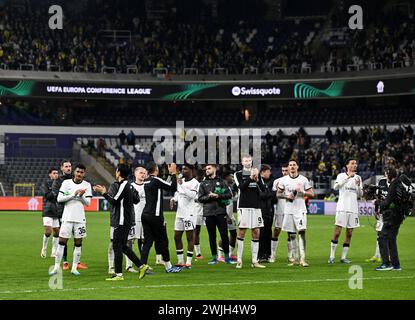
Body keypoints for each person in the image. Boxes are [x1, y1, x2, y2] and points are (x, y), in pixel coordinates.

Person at [94, 164, 149, 281]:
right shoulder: (128, 185)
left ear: (118, 172)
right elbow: (136, 200)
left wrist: (103, 192)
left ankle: (119, 274)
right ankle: (141, 266)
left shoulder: (123, 185)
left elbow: (114, 201)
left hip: (121, 220)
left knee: (116, 246)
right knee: (123, 246)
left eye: (117, 170)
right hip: (127, 220)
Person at [49, 164, 92, 276]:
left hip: (80, 219)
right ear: (74, 172)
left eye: (81, 172)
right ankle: (56, 267)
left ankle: (74, 268)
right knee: (62, 242)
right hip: (67, 218)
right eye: (78, 171)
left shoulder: (87, 185)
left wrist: (81, 196)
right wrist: (74, 194)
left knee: (78, 243)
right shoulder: (66, 183)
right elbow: (59, 199)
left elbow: (88, 203)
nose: (79, 174)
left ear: (84, 174)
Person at [141, 162, 181, 273]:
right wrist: (173, 173)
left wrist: (169, 175)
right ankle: (168, 267)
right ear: (155, 170)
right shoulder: (156, 180)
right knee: (163, 241)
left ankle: (142, 266)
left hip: (145, 214)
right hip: (156, 216)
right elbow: (172, 187)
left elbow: (165, 184)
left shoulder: (147, 181)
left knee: (148, 242)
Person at [277, 159, 314, 267]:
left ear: (297, 167)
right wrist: (286, 196)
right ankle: (296, 259)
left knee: (302, 232)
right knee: (291, 234)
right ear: (288, 168)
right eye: (290, 165)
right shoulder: (283, 180)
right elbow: (278, 194)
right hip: (288, 211)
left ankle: (303, 259)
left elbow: (312, 194)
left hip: (300, 210)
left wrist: (302, 191)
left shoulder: (303, 179)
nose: (292, 167)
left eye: (294, 165)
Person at [234, 155, 266, 269]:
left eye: (249, 160)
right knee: (242, 232)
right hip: (243, 206)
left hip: (256, 207)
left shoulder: (257, 173)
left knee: (256, 232)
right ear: (242, 162)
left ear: (252, 161)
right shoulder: (238, 174)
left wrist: (257, 179)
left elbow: (263, 189)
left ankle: (254, 261)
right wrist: (250, 178)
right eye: (245, 160)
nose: (248, 162)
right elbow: (241, 187)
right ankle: (239, 259)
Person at [328, 158, 363, 264]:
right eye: (352, 163)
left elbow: (360, 195)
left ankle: (343, 257)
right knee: (337, 232)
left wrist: (357, 185)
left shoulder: (358, 178)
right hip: (342, 208)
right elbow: (336, 186)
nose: (355, 165)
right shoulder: (341, 176)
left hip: (353, 209)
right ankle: (332, 256)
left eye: (355, 163)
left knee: (349, 233)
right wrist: (348, 177)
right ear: (347, 166)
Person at [198, 164, 234, 265]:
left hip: (220, 212)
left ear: (215, 169)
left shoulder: (222, 182)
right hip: (208, 213)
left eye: (209, 168)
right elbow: (200, 198)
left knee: (224, 235)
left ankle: (227, 258)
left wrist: (218, 195)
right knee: (212, 236)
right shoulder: (203, 183)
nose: (207, 170)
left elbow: (229, 195)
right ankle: (214, 258)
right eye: (206, 169)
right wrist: (210, 197)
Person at [376, 172, 412, 271]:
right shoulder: (401, 184)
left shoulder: (394, 185)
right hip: (399, 215)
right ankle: (396, 265)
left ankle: (386, 263)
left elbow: (387, 202)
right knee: (391, 239)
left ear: (389, 176)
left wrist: (378, 202)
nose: (385, 176)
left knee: (382, 237)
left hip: (392, 216)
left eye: (387, 174)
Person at [171, 164, 199, 268]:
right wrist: (173, 199)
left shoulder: (195, 183)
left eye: (185, 169)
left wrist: (182, 184)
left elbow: (191, 195)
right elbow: (178, 193)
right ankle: (180, 261)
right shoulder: (181, 180)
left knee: (189, 237)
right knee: (176, 236)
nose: (183, 170)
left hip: (189, 213)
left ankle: (188, 261)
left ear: (191, 170)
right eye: (182, 169)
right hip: (180, 212)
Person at [125, 166, 148, 272]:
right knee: (130, 241)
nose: (143, 174)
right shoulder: (130, 186)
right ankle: (129, 265)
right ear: (135, 174)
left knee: (144, 241)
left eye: (144, 173)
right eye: (141, 173)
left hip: (145, 218)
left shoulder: (148, 186)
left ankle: (143, 264)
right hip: (133, 219)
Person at [366, 169, 391, 263]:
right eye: (386, 172)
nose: (386, 174)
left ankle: (387, 256)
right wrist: (376, 210)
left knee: (388, 234)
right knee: (379, 233)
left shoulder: (395, 184)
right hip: (382, 212)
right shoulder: (381, 181)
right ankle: (377, 255)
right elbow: (378, 197)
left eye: (388, 173)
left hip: (391, 213)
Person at [269, 165, 292, 263]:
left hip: (291, 210)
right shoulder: (277, 181)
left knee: (291, 233)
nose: (284, 172)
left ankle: (290, 256)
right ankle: (273, 255)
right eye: (283, 170)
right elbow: (274, 197)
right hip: (280, 210)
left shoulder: (294, 181)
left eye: (286, 170)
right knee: (276, 231)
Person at [218, 171, 238, 262]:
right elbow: (220, 203)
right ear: (226, 178)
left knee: (234, 234)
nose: (232, 178)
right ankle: (220, 255)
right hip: (224, 215)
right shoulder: (222, 188)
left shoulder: (229, 187)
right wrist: (226, 216)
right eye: (231, 176)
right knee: (224, 235)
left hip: (230, 215)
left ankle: (230, 254)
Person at [258, 164, 275, 263]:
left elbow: (273, 196)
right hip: (260, 211)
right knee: (261, 233)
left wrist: (268, 194)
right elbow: (261, 195)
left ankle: (267, 254)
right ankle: (260, 254)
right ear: (263, 172)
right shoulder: (258, 182)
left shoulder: (271, 181)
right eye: (268, 171)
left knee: (268, 232)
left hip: (269, 210)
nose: (270, 173)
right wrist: (268, 194)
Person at [41, 168, 59, 258]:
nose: (56, 174)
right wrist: (55, 192)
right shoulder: (46, 184)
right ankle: (44, 248)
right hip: (47, 210)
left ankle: (54, 251)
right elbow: (47, 196)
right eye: (54, 173)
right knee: (48, 231)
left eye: (57, 173)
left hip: (57, 211)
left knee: (56, 232)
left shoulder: (60, 184)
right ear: (50, 175)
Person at [193, 168, 205, 260]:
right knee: (196, 231)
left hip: (206, 209)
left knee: (210, 230)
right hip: (197, 210)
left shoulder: (205, 182)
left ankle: (217, 253)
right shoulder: (194, 183)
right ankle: (198, 253)